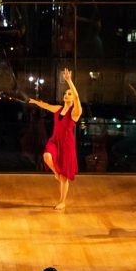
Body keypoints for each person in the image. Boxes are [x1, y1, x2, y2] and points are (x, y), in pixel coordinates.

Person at [28, 68, 83, 209]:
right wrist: (35, 102)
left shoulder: (75, 113)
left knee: (64, 178)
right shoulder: (58, 109)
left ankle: (62, 202)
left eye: (69, 94)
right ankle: (56, 173)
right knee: (47, 156)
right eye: (65, 93)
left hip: (66, 145)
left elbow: (77, 98)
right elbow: (46, 105)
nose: (67, 95)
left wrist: (69, 81)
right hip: (54, 141)